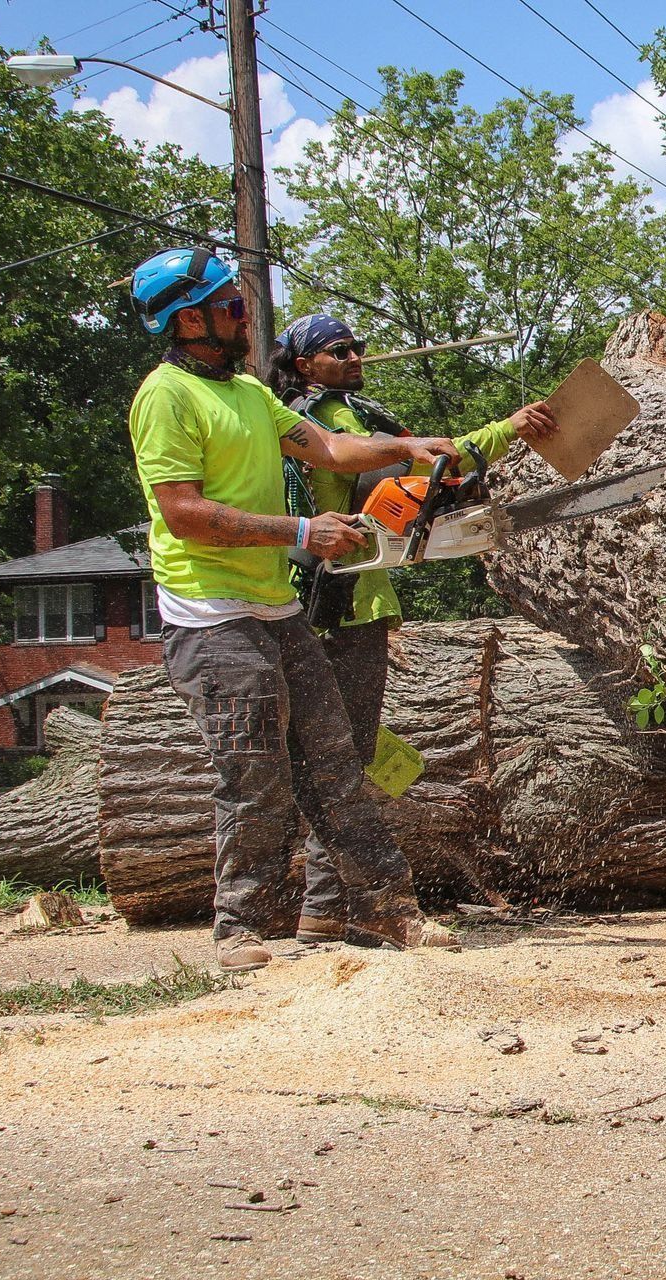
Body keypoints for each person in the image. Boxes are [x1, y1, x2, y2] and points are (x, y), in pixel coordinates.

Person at [125, 245, 463, 973]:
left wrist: (404, 446)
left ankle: (384, 911)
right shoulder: (165, 397)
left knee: (338, 761)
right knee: (253, 771)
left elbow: (333, 449)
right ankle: (239, 925)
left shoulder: (250, 393)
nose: (245, 317)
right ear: (190, 320)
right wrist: (302, 533)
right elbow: (183, 513)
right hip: (212, 618)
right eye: (232, 306)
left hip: (276, 609)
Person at [264, 314, 555, 941]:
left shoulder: (361, 416)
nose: (352, 356)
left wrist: (509, 431)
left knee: (347, 756)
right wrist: (419, 451)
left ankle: (322, 905)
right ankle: (329, 902)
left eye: (357, 348)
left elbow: (436, 460)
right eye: (336, 351)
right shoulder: (312, 421)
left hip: (360, 595)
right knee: (340, 758)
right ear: (304, 363)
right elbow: (382, 456)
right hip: (328, 599)